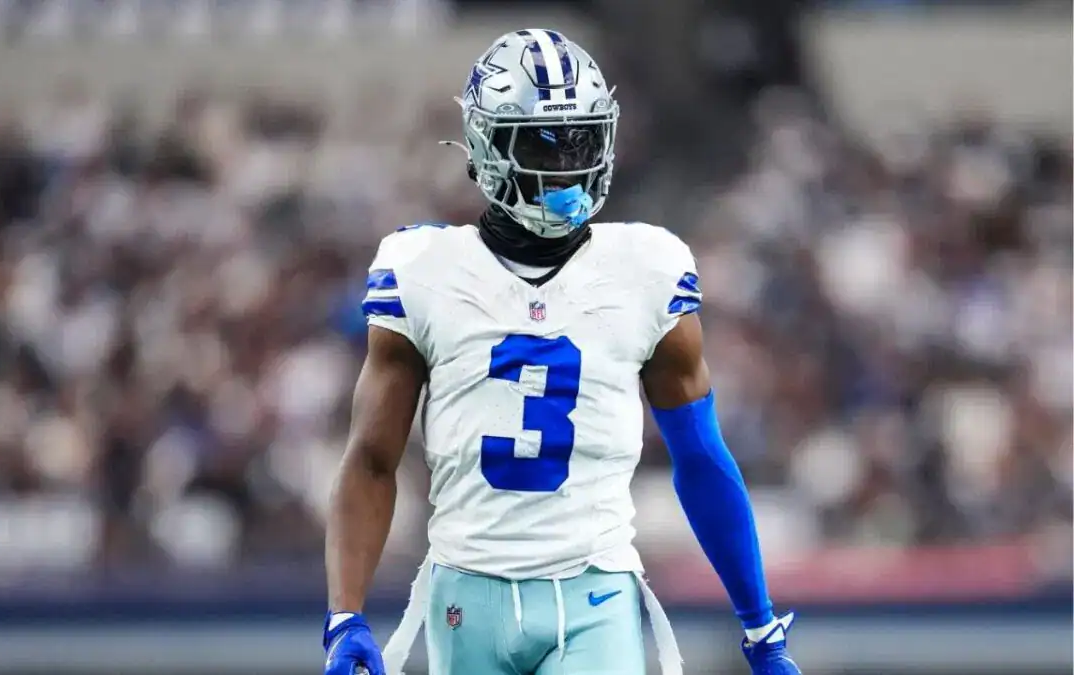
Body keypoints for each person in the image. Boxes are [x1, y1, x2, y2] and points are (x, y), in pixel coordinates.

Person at [322, 28, 801, 675]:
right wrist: (344, 613)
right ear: (488, 145)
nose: (567, 162)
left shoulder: (646, 268)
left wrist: (760, 624)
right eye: (542, 142)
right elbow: (373, 459)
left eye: (580, 138)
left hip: (593, 589)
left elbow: (701, 456)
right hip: (466, 592)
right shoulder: (424, 269)